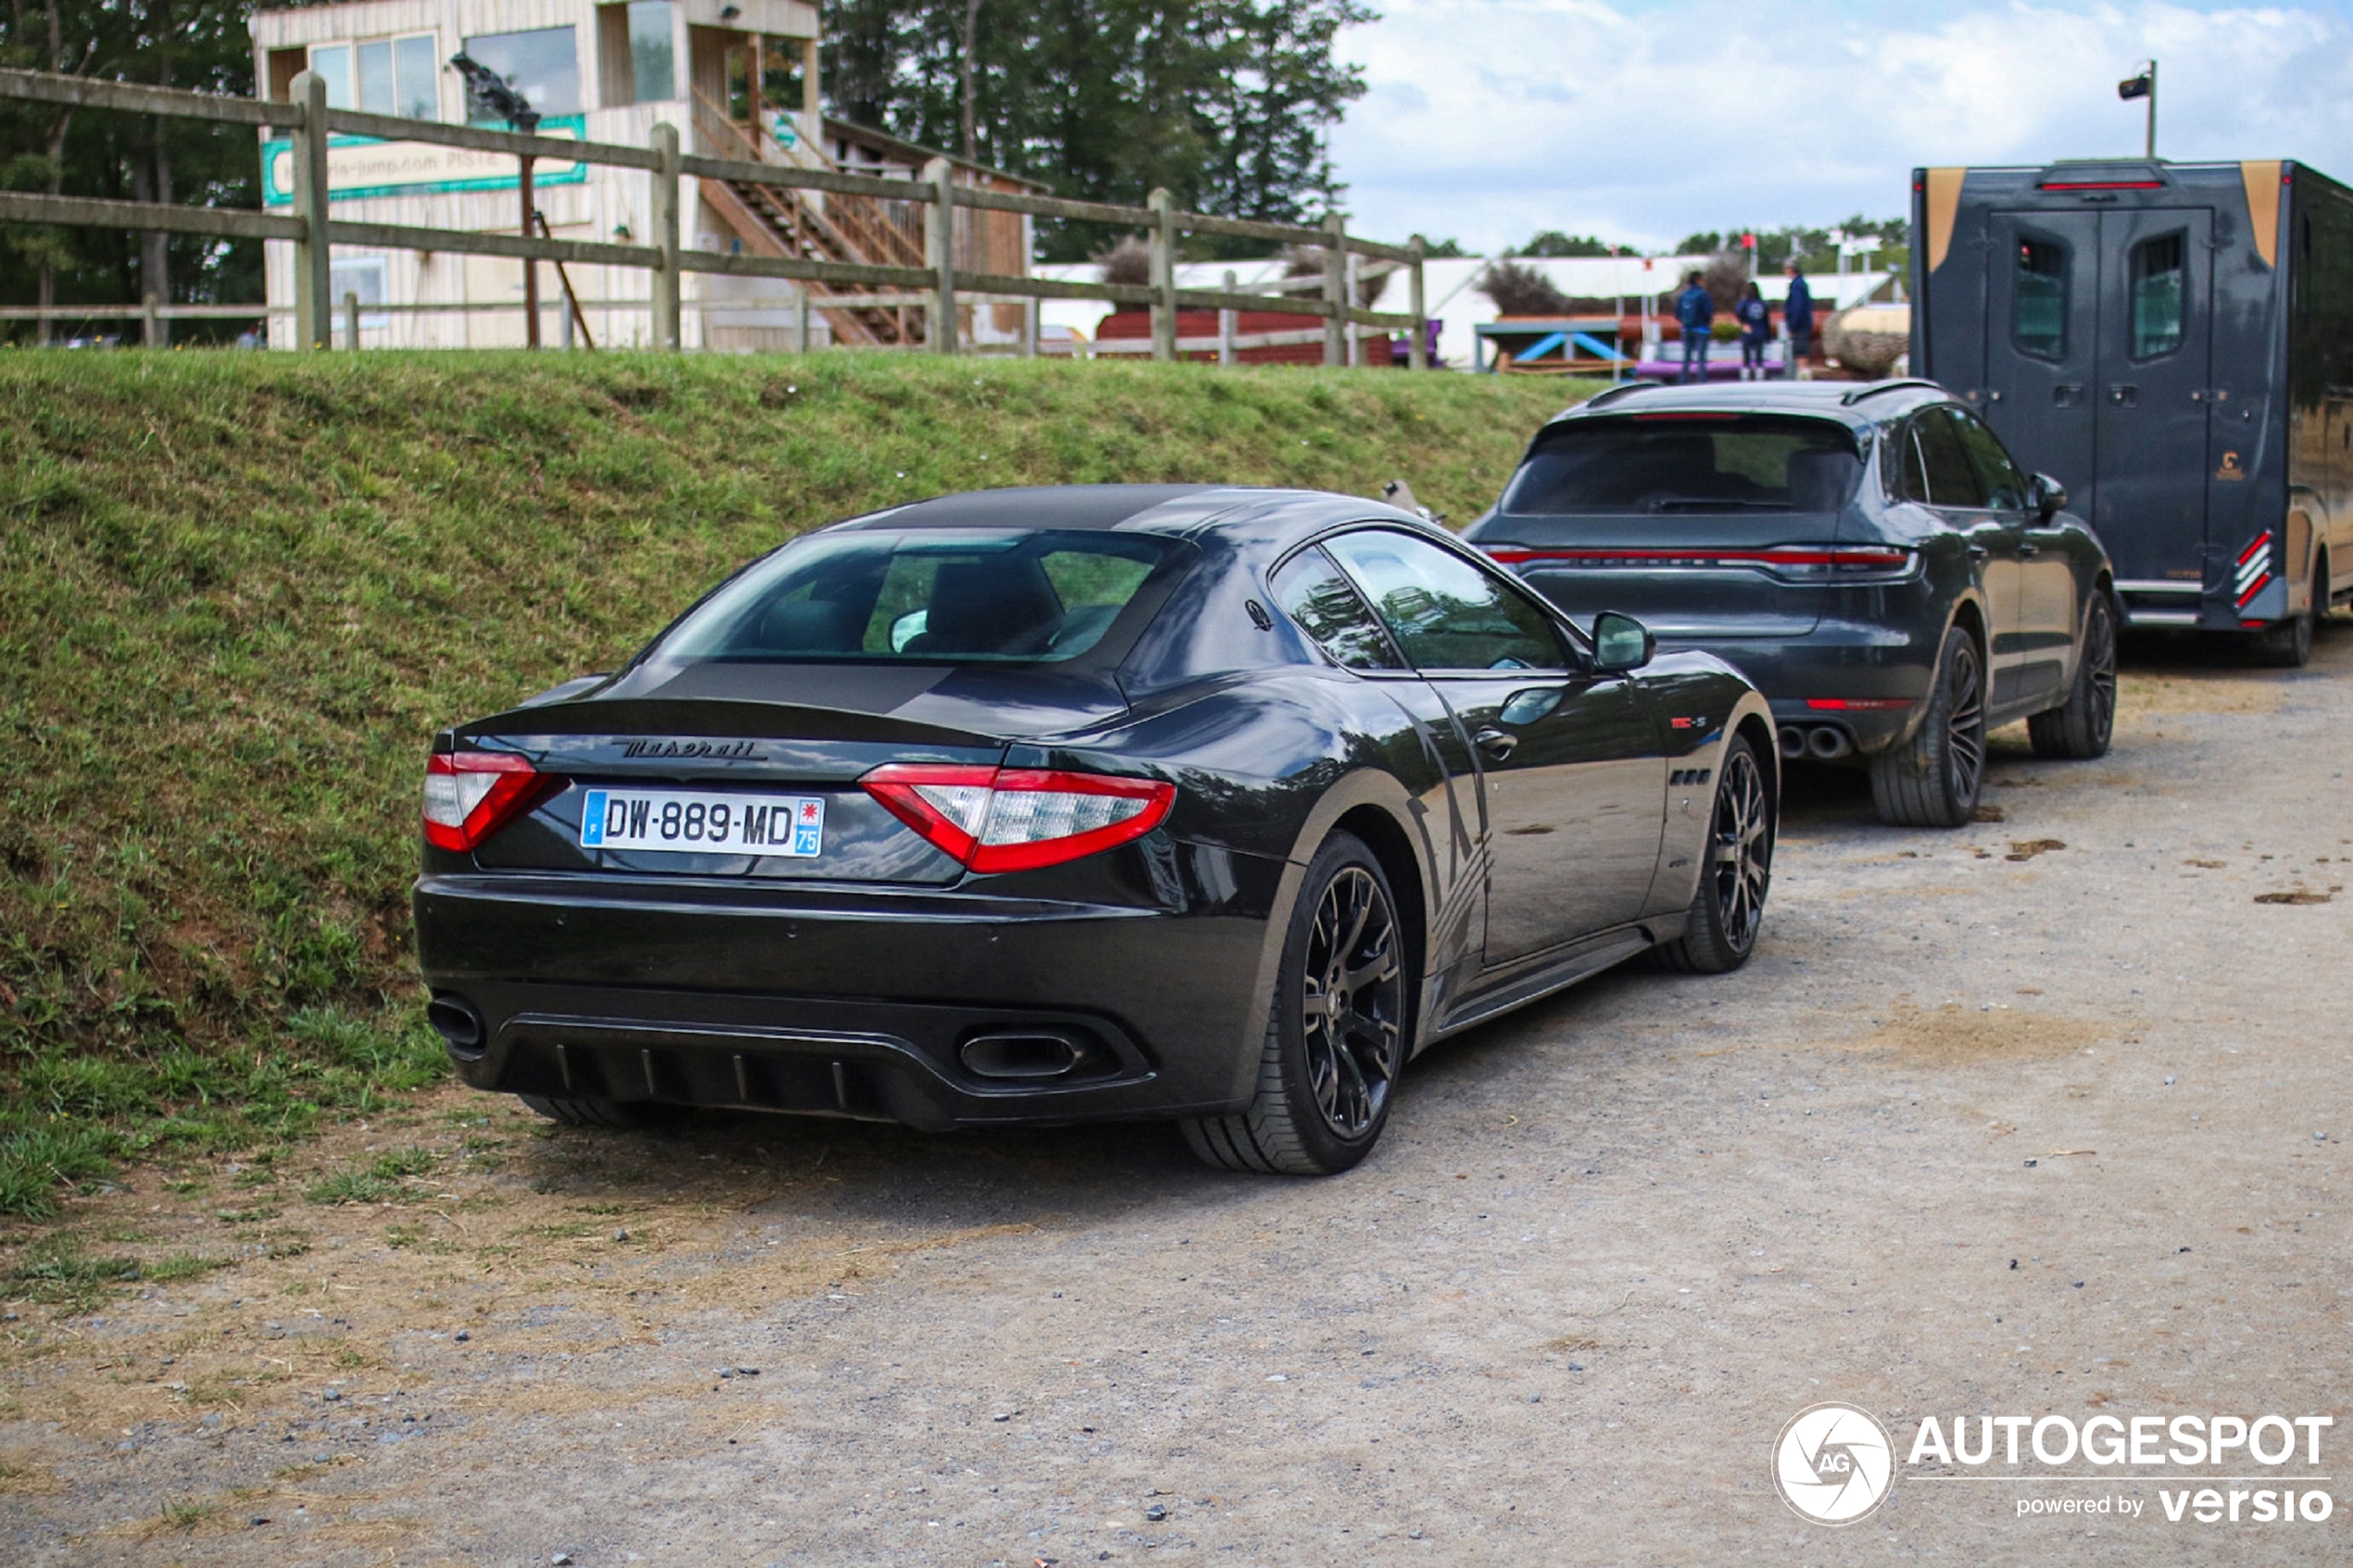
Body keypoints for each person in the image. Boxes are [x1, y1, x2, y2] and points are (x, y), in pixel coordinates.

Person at [1674, 270, 1714, 383]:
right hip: (1701, 329)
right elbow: (1708, 312)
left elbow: (1677, 313)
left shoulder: (1684, 295)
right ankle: (1701, 381)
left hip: (1686, 329)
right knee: (1701, 358)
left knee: (1686, 357)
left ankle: (1683, 381)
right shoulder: (1703, 295)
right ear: (1698, 280)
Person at [1782, 257, 1815, 379]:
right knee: (1802, 352)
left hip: (1800, 325)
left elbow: (1797, 307)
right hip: (1804, 324)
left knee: (1801, 353)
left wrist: (1793, 326)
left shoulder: (1796, 285)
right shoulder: (1802, 284)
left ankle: (1803, 377)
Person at [1735, 281, 1770, 381]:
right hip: (1760, 332)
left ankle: (1746, 374)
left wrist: (1743, 323)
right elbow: (1766, 320)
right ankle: (1759, 374)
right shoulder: (1763, 304)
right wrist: (1768, 335)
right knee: (1759, 356)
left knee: (1747, 356)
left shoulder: (1745, 303)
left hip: (1748, 332)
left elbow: (1738, 312)